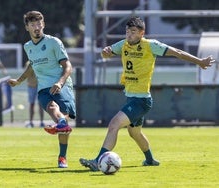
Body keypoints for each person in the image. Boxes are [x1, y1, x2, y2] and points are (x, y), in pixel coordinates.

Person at [79, 16, 214, 171]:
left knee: (114, 124)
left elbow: (177, 52)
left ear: (142, 33)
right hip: (131, 98)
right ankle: (150, 160)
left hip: (141, 101)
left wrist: (200, 62)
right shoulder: (123, 44)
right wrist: (106, 52)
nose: (129, 35)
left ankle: (97, 161)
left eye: (133, 32)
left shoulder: (151, 46)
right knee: (134, 133)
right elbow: (106, 53)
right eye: (127, 31)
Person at [7, 11, 76, 168]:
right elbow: (32, 66)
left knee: (63, 122)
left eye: (39, 24)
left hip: (62, 84)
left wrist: (59, 83)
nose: (36, 27)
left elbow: (67, 66)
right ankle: (61, 124)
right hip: (43, 87)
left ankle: (62, 156)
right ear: (27, 28)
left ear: (43, 24)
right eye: (32, 25)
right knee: (54, 110)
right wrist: (19, 81)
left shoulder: (54, 42)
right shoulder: (27, 47)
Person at [24, 61, 45, 128]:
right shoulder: (28, 63)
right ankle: (31, 122)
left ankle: (41, 122)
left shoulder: (41, 61)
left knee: (41, 104)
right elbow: (26, 74)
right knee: (31, 104)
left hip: (40, 85)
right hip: (31, 86)